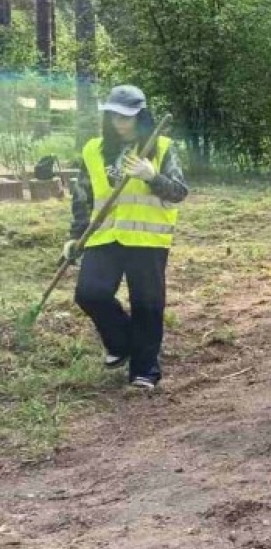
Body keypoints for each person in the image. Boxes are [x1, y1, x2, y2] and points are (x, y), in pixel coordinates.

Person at [67, 85, 189, 390]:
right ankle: (121, 343)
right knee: (89, 293)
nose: (120, 122)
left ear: (140, 116)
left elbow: (179, 192)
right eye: (114, 116)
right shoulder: (93, 149)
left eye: (127, 117)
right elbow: (82, 196)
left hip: (147, 239)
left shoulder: (160, 147)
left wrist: (152, 177)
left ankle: (144, 370)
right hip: (104, 235)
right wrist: (75, 235)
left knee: (147, 303)